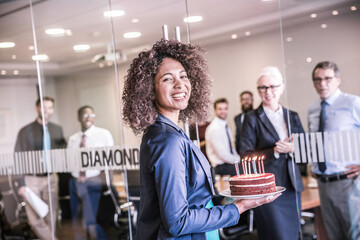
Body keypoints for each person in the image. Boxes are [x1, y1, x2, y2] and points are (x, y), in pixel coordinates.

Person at [122, 39, 280, 239]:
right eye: (167, 79)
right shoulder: (167, 141)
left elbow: (194, 200)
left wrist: (228, 200)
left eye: (183, 76)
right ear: (149, 89)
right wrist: (238, 209)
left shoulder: (169, 133)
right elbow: (177, 222)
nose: (180, 84)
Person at [240, 66, 304, 240]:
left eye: (272, 87)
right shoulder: (252, 118)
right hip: (267, 187)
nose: (268, 92)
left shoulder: (293, 116)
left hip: (292, 184)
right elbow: (245, 155)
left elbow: (305, 148)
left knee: (292, 234)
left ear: (281, 87)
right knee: (276, 234)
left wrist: (293, 149)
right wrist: (274, 151)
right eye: (263, 87)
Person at [308, 61, 360, 240]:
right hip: (323, 183)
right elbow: (316, 140)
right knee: (333, 235)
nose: (322, 84)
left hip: (348, 182)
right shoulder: (313, 109)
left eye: (327, 78)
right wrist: (312, 163)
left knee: (354, 235)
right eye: (317, 79)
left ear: (338, 80)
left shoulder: (352, 102)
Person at [14, 96, 66, 240]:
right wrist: (21, 183)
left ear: (53, 109)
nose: (46, 111)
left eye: (50, 108)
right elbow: (17, 157)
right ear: (37, 108)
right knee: (34, 219)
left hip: (51, 177)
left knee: (51, 215)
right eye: (43, 107)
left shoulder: (57, 129)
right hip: (32, 179)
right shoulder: (25, 131)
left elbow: (63, 153)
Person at [67, 105, 114, 240]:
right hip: (75, 181)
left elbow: (110, 161)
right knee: (76, 221)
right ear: (78, 118)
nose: (89, 118)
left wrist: (108, 182)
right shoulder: (73, 139)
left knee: (89, 221)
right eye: (85, 115)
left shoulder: (103, 134)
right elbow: (70, 161)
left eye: (92, 115)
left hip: (93, 181)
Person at [205, 98, 240, 176]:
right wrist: (238, 160)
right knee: (246, 171)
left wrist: (238, 157)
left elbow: (231, 148)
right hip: (221, 167)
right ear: (215, 110)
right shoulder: (214, 128)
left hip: (228, 164)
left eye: (225, 109)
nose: (223, 111)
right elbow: (222, 154)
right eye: (220, 109)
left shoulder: (225, 126)